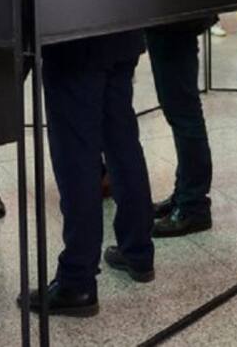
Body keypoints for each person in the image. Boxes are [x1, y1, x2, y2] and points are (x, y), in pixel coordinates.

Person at [26, 30, 155, 317]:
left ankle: (77, 278)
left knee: (75, 157)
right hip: (122, 30)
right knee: (122, 142)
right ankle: (138, 250)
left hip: (73, 35)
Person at [146, 18, 215, 238]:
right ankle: (185, 195)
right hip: (172, 20)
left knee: (184, 116)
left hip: (173, 20)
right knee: (181, 114)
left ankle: (193, 205)